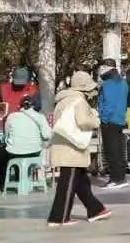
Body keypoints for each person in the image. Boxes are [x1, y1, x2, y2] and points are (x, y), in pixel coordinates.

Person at [47, 71, 110, 226]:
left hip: (63, 145)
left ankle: (95, 210)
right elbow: (83, 121)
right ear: (84, 88)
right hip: (72, 149)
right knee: (67, 184)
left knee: (81, 182)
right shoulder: (79, 101)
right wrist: (95, 119)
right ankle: (59, 218)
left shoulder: (63, 100)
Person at [4, 93, 52, 190]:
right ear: (33, 106)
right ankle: (29, 181)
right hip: (34, 151)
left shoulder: (11, 116)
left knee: (7, 154)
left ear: (20, 105)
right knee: (37, 151)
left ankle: (12, 182)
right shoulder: (40, 117)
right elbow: (47, 136)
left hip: (14, 152)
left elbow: (7, 135)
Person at [96, 63, 130, 189]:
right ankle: (120, 177)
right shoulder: (123, 83)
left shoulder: (107, 85)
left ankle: (116, 179)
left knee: (111, 151)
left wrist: (103, 118)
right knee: (118, 150)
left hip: (109, 121)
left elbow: (107, 104)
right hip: (120, 119)